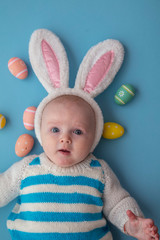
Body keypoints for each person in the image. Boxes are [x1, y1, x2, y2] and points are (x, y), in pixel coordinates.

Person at [0, 29, 159, 240]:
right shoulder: (27, 169)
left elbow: (119, 204)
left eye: (77, 131)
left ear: (93, 137)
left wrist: (132, 224)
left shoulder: (99, 172)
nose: (65, 138)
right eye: (55, 130)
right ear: (40, 131)